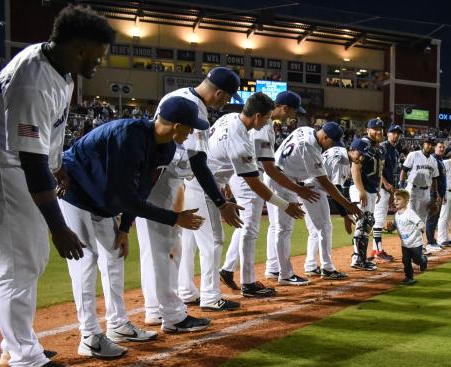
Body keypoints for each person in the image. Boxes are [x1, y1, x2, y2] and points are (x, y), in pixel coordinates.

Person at [0, 5, 114, 367]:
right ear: (80, 46)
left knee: (24, 264)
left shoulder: (58, 67)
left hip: (19, 166)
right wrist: (58, 226)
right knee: (20, 265)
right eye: (99, 51)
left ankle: (16, 346)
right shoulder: (34, 78)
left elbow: (46, 141)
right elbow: (30, 161)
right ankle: (24, 362)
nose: (102, 59)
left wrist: (58, 163)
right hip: (8, 170)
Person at [58, 96, 215, 357]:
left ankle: (118, 325)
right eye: (189, 127)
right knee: (86, 261)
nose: (191, 133)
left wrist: (125, 228)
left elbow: (140, 192)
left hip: (102, 200)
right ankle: (89, 336)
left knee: (114, 256)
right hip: (75, 191)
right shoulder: (128, 136)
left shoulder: (164, 147)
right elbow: (124, 197)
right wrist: (175, 218)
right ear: (177, 126)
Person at [136, 67, 244, 326]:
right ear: (219, 92)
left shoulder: (179, 95)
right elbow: (198, 162)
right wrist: (221, 202)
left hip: (159, 175)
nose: (225, 103)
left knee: (162, 249)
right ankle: (167, 312)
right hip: (163, 179)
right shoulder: (193, 106)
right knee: (165, 249)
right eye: (226, 98)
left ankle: (157, 308)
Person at [180, 93, 306, 303]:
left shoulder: (227, 118)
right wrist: (286, 205)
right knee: (214, 240)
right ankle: (212, 297)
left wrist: (227, 183)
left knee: (190, 241)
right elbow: (255, 183)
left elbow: (219, 158)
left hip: (197, 181)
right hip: (205, 186)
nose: (268, 122)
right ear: (257, 116)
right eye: (266, 118)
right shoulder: (242, 138)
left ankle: (186, 291)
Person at [220, 91, 320, 297]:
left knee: (245, 225)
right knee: (251, 228)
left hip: (239, 173)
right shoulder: (264, 127)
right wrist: (297, 190)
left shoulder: (256, 124)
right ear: (285, 108)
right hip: (249, 176)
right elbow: (270, 168)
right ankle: (247, 282)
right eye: (292, 112)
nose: (292, 117)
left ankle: (228, 268)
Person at [267, 122, 363, 285]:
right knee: (294, 228)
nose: (331, 147)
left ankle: (278, 268)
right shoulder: (311, 147)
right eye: (331, 142)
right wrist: (347, 206)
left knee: (281, 227)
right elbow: (326, 183)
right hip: (287, 181)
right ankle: (294, 273)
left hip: (282, 176)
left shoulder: (304, 129)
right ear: (325, 137)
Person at [303, 144, 363, 279]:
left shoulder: (340, 151)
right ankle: (327, 268)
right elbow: (335, 189)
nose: (362, 157)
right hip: (315, 188)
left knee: (315, 230)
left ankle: (311, 265)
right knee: (325, 227)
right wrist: (345, 214)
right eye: (360, 153)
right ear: (351, 149)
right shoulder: (341, 160)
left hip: (306, 185)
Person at [349, 118, 386, 271]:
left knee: (367, 223)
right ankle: (358, 260)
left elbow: (378, 172)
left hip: (371, 189)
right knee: (364, 223)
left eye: (381, 129)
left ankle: (360, 259)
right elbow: (355, 169)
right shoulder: (361, 143)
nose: (379, 131)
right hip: (361, 188)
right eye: (375, 128)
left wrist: (377, 190)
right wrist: (361, 190)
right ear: (368, 130)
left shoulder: (379, 148)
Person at [371, 124, 402, 262]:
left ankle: (374, 250)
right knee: (378, 220)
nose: (396, 135)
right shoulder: (383, 146)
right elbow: (378, 167)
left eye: (398, 133)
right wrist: (384, 182)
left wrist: (392, 192)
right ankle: (378, 252)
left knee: (380, 219)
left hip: (387, 190)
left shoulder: (395, 151)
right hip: (380, 188)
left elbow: (394, 174)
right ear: (387, 134)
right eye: (393, 132)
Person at [399, 136, 441, 226]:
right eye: (428, 144)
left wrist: (434, 194)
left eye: (432, 144)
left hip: (426, 192)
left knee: (422, 219)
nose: (430, 146)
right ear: (423, 144)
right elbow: (404, 170)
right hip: (413, 189)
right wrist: (401, 187)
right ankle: (409, 239)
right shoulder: (414, 154)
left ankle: (419, 239)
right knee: (411, 216)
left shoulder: (434, 161)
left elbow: (434, 179)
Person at [393, 190, 427, 285]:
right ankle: (409, 277)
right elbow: (395, 226)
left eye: (398, 199)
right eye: (395, 199)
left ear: (407, 201)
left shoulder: (410, 213)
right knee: (405, 260)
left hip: (415, 242)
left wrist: (421, 227)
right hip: (405, 244)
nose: (395, 201)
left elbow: (419, 222)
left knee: (417, 260)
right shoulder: (396, 215)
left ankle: (423, 260)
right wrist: (389, 228)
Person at [425, 140, 446, 252]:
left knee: (435, 218)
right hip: (434, 193)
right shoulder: (433, 159)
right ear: (435, 148)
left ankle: (432, 240)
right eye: (439, 147)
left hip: (440, 193)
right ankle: (429, 242)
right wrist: (436, 192)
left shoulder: (440, 160)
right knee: (432, 218)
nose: (442, 149)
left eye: (443, 147)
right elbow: (434, 178)